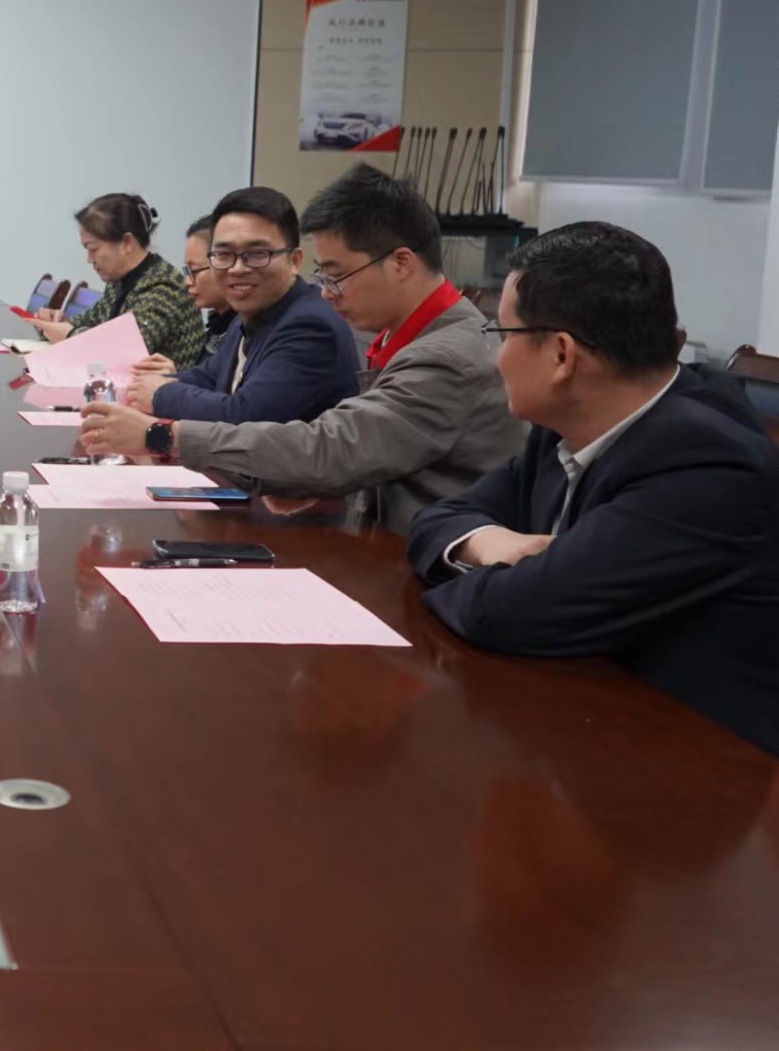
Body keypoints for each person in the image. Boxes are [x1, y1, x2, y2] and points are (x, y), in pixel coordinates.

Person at [407, 222, 779, 755]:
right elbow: (435, 520)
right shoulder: (566, 423)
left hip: (687, 764)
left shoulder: (707, 465)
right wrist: (491, 544)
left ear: (561, 355)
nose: (495, 359)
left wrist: (517, 578)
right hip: (573, 719)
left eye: (502, 334)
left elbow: (512, 614)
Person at [82, 164, 522, 529]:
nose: (327, 292)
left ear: (401, 262)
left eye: (337, 275)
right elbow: (376, 451)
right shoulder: (406, 334)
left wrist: (161, 434)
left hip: (420, 565)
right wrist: (311, 483)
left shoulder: (446, 357)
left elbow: (330, 448)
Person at [123, 185, 356, 425]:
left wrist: (160, 394)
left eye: (257, 254)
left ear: (294, 261)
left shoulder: (311, 326)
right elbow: (208, 376)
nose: (237, 268)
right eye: (224, 255)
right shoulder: (248, 315)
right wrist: (146, 385)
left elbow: (246, 416)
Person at [30, 193, 207, 365]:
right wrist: (57, 322)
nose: (89, 259)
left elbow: (122, 353)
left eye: (93, 249)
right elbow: (94, 320)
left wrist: (70, 334)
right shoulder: (118, 280)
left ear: (127, 243)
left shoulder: (164, 287)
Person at [182, 213, 234, 341]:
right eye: (188, 271)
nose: (187, 282)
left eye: (194, 270)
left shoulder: (248, 334)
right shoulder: (218, 327)